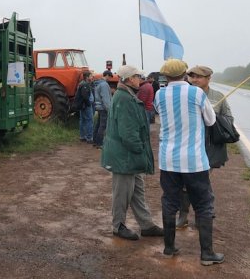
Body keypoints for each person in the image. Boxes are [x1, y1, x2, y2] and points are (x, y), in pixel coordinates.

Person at [153, 59, 224, 265]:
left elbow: (160, 113)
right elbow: (210, 121)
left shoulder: (160, 94)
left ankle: (169, 248)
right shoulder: (197, 93)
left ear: (165, 75)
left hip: (168, 160)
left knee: (169, 202)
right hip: (194, 161)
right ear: (185, 73)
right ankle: (207, 253)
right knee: (203, 205)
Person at [100, 65, 164, 241]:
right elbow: (128, 133)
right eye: (137, 76)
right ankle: (118, 226)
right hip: (125, 156)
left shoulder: (126, 95)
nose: (140, 78)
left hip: (128, 156)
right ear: (128, 79)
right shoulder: (125, 99)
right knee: (122, 194)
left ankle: (146, 225)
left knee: (137, 191)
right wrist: (140, 150)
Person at [176, 65, 234, 228]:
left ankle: (204, 213)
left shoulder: (218, 97)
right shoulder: (183, 95)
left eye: (198, 77)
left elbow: (229, 119)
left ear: (208, 78)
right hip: (187, 145)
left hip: (209, 147)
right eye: (191, 76)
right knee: (187, 181)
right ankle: (184, 215)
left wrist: (212, 116)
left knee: (200, 180)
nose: (194, 80)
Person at [93, 71, 112, 149]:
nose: (110, 79)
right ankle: (100, 143)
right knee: (103, 125)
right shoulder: (104, 85)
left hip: (98, 106)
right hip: (103, 107)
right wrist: (109, 109)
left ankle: (95, 141)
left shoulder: (97, 83)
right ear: (107, 75)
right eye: (110, 77)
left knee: (98, 124)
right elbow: (105, 98)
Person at [76, 72, 94, 143]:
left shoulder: (82, 83)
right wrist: (89, 104)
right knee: (89, 120)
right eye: (91, 76)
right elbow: (85, 96)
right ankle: (89, 138)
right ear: (87, 77)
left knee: (83, 120)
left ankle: (82, 136)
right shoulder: (85, 85)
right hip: (86, 106)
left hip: (83, 106)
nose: (92, 77)